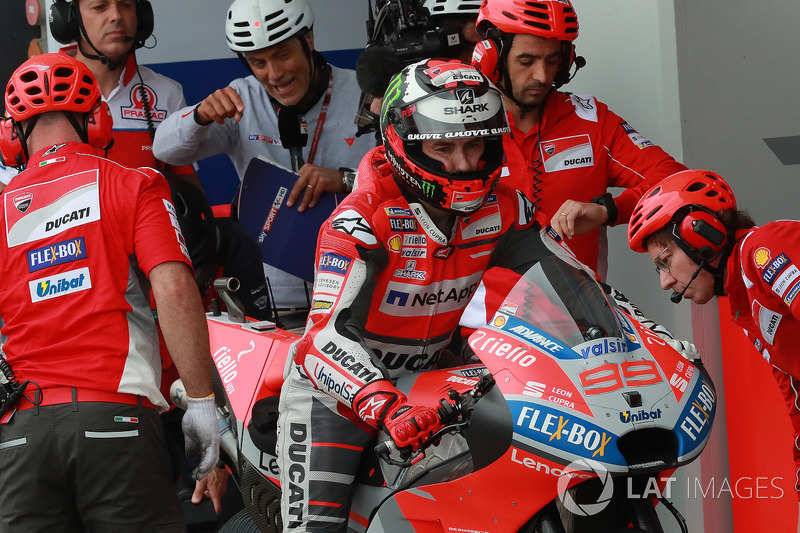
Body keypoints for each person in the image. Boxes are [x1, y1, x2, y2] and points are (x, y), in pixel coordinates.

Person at [0, 53, 220, 531]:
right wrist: (202, 404)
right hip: (116, 421)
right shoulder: (135, 183)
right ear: (98, 119)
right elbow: (174, 287)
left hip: (19, 434)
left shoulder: (1, 208)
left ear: (10, 133)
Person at [154, 0, 375, 313]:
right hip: (267, 298)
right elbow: (164, 149)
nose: (275, 74)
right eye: (258, 63)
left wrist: (344, 179)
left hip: (354, 294)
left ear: (308, 39)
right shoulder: (240, 99)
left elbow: (402, 178)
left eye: (283, 54)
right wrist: (199, 116)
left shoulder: (364, 93)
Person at [627, 169, 800, 524]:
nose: (665, 282)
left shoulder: (765, 247)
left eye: (665, 261)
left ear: (700, 233)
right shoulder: (743, 298)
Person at [470, 0, 687, 277]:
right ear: (491, 57)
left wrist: (608, 210)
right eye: (526, 61)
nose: (542, 75)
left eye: (553, 61)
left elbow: (676, 181)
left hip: (580, 314)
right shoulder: (459, 130)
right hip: (480, 315)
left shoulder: (592, 120)